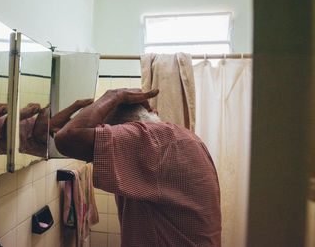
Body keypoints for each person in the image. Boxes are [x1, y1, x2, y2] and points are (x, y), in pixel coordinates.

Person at [54, 88, 221, 247]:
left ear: (125, 129)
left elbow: (66, 138)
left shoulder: (149, 141)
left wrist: (115, 95)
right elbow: (61, 130)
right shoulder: (180, 138)